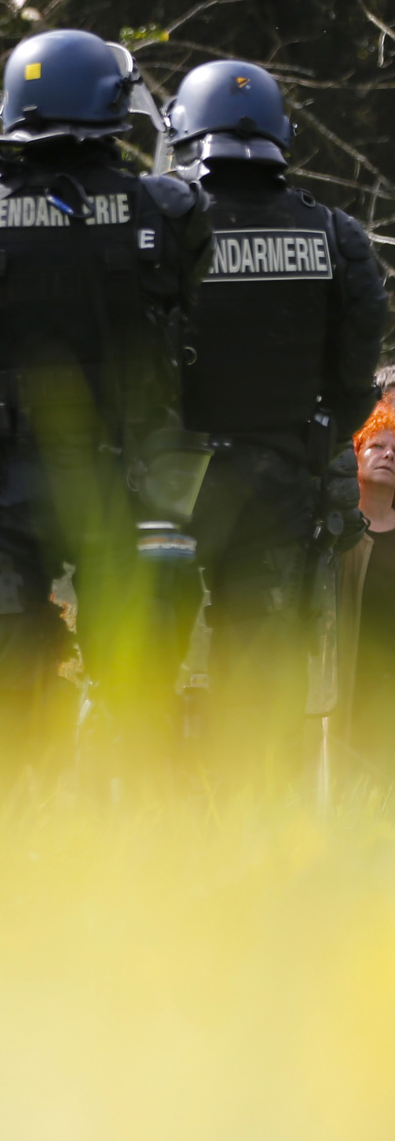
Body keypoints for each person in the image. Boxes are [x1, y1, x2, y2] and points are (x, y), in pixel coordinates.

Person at [0, 29, 212, 766]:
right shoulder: (168, 208)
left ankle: (7, 846)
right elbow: (184, 318)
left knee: (3, 692)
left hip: (8, 479)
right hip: (126, 478)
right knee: (139, 688)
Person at [167, 59, 388, 778]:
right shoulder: (336, 236)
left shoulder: (161, 230)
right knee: (264, 684)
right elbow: (357, 383)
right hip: (282, 484)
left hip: (171, 486)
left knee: (151, 675)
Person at [340, 401, 395, 775]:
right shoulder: (336, 533)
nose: (389, 454)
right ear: (356, 456)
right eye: (377, 446)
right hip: (345, 691)